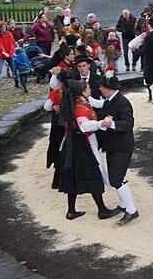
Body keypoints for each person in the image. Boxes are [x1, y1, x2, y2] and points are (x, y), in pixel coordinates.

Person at [52, 79, 118, 221]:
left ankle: (71, 211)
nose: (90, 89)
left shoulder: (79, 103)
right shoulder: (80, 107)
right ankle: (102, 210)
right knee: (93, 174)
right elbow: (85, 126)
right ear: (81, 91)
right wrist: (102, 123)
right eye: (88, 88)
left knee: (73, 177)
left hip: (75, 143)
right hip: (82, 145)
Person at [90, 71, 140, 226]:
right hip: (114, 146)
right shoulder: (110, 100)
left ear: (108, 88)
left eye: (101, 87)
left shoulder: (122, 102)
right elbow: (102, 112)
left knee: (116, 179)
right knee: (117, 177)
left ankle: (131, 210)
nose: (99, 89)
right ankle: (124, 204)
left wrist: (110, 124)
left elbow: (128, 124)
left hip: (122, 147)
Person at [0, 22, 19, 91]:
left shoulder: (9, 34)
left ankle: (17, 83)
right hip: (0, 55)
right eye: (2, 27)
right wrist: (4, 52)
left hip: (9, 54)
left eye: (4, 27)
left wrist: (11, 52)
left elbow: (12, 43)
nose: (3, 29)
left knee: (14, 69)